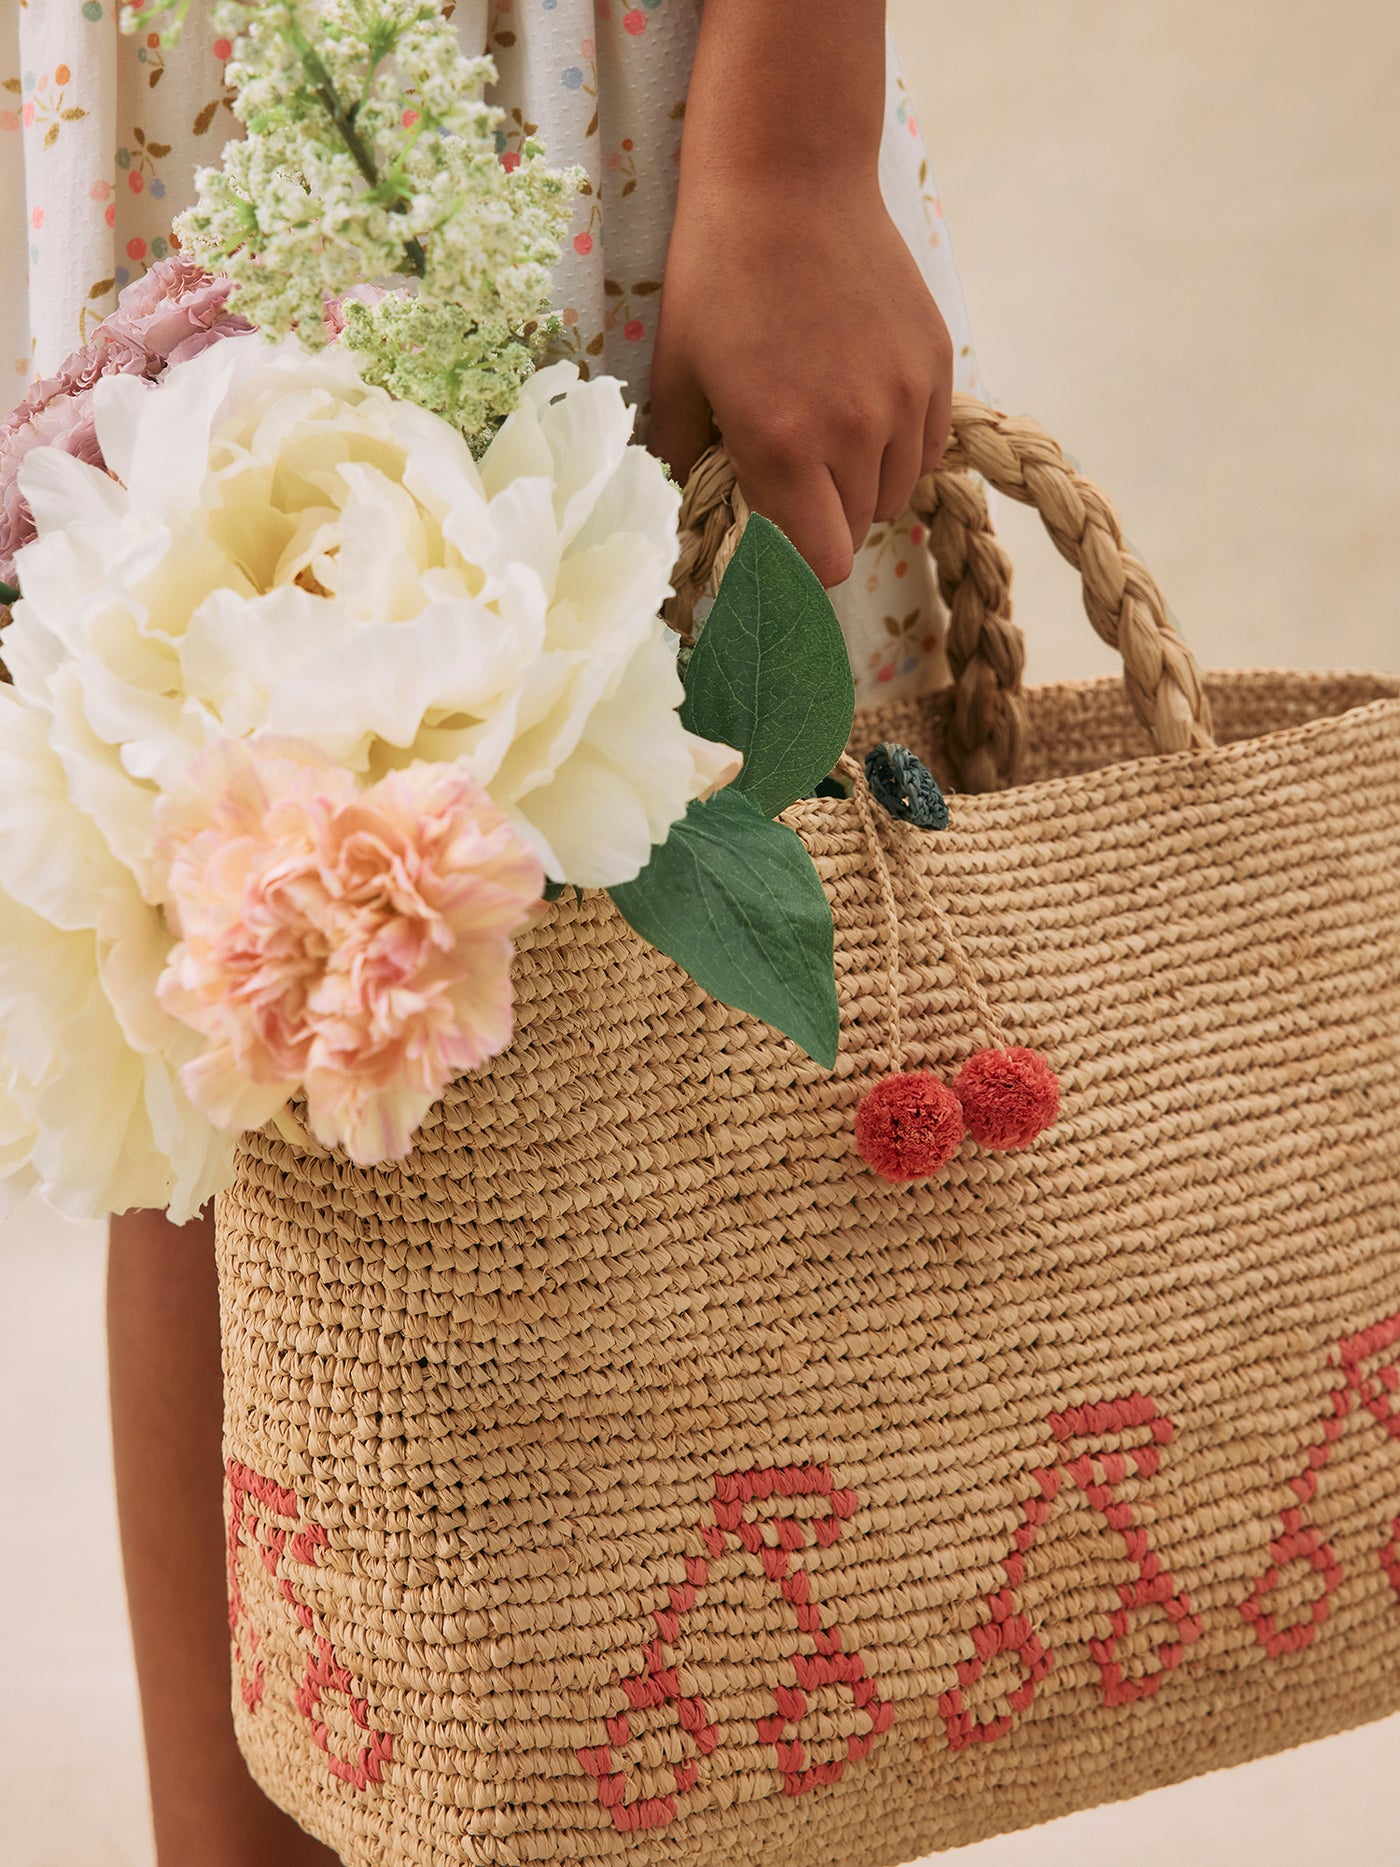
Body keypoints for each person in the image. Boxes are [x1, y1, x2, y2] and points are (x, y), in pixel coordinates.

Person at [2, 2, 981, 1860]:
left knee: (716, 858)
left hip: (576, 74)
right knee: (227, 942)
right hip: (219, 62)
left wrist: (790, 147)